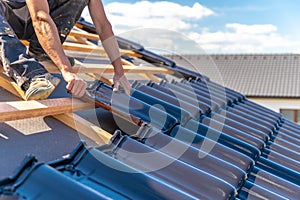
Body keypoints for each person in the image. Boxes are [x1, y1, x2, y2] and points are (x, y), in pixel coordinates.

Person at [0, 0, 131, 100]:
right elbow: (40, 17)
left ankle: (43, 51)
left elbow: (103, 26)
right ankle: (30, 74)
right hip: (8, 18)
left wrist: (119, 72)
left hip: (34, 25)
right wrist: (67, 70)